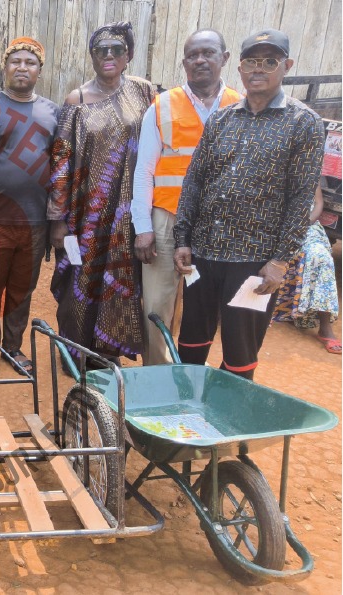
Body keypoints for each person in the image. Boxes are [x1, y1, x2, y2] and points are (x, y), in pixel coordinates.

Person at [173, 29, 325, 380]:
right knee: (192, 340)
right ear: (239, 68)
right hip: (205, 255)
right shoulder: (222, 119)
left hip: (255, 263)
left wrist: (280, 261)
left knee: (240, 349)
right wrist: (183, 238)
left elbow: (302, 198)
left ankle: (230, 426)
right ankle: (185, 417)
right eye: (251, 61)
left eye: (269, 61)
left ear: (286, 66)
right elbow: (195, 180)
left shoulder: (303, 123)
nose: (259, 69)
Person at [131, 29, 242, 364]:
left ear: (224, 59)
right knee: (157, 302)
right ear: (184, 63)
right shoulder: (162, 106)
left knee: (203, 301)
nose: (200, 60)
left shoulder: (240, 106)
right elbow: (143, 171)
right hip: (166, 218)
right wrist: (142, 227)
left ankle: (193, 370)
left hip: (218, 226)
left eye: (208, 53)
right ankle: (157, 373)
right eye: (192, 55)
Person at [48, 22, 156, 363]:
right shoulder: (76, 100)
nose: (109, 55)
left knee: (121, 283)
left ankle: (110, 349)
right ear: (92, 56)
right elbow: (61, 162)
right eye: (100, 50)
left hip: (129, 213)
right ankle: (80, 351)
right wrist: (57, 218)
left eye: (117, 49)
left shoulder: (144, 92)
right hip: (86, 215)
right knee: (82, 280)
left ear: (129, 56)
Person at [0, 37, 60, 380]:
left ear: (39, 70)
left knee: (22, 288)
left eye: (30, 63)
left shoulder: (51, 112)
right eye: (15, 61)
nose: (22, 67)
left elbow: (59, 165)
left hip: (35, 222)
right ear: (4, 68)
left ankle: (12, 347)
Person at [273, 190, 340, 353]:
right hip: (274, 225)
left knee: (321, 257)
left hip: (306, 225)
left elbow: (318, 204)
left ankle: (325, 328)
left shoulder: (309, 166)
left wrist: (303, 224)